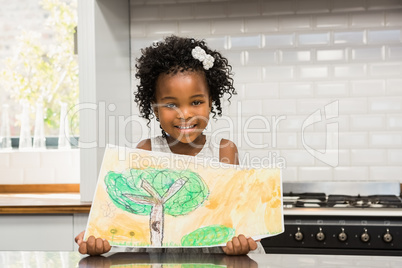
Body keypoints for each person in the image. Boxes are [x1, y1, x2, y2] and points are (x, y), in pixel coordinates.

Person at [75, 35, 265, 256]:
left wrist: (238, 242)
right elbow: (129, 217)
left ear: (210, 102)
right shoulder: (146, 150)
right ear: (155, 110)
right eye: (171, 104)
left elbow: (237, 218)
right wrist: (99, 236)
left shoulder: (224, 150)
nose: (185, 114)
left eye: (196, 102)